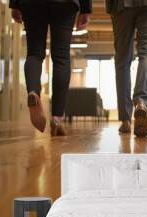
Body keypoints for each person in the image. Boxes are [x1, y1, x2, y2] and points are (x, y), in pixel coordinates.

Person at [10, 0, 91, 136]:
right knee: (61, 57)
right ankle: (57, 118)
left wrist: (14, 4)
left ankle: (33, 92)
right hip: (65, 3)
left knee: (34, 53)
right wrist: (85, 8)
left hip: (32, 4)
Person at [106, 0, 147, 137]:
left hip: (121, 4)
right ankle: (142, 103)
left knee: (122, 60)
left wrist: (111, 7)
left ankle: (125, 119)